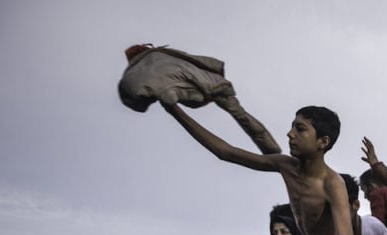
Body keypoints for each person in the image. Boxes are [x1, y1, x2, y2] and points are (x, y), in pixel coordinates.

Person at [161, 102, 363, 235]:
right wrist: (174, 110)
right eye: (292, 127)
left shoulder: (332, 183)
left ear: (323, 142)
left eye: (300, 129)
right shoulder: (286, 166)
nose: (290, 134)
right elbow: (225, 152)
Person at [119, 44, 280, 154]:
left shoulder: (130, 77)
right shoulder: (164, 54)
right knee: (242, 116)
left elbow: (136, 104)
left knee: (168, 97)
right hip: (213, 85)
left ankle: (275, 157)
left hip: (185, 94)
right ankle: (273, 152)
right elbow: (194, 59)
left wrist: (163, 101)